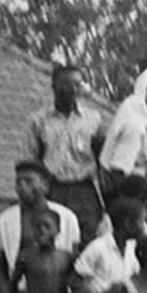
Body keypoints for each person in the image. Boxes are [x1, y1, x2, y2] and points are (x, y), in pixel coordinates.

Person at [26, 63, 105, 236]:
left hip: (84, 190)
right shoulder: (39, 120)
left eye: (77, 84)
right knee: (55, 235)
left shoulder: (93, 119)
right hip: (54, 188)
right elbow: (35, 159)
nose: (72, 90)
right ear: (54, 86)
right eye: (66, 84)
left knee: (88, 236)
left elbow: (101, 158)